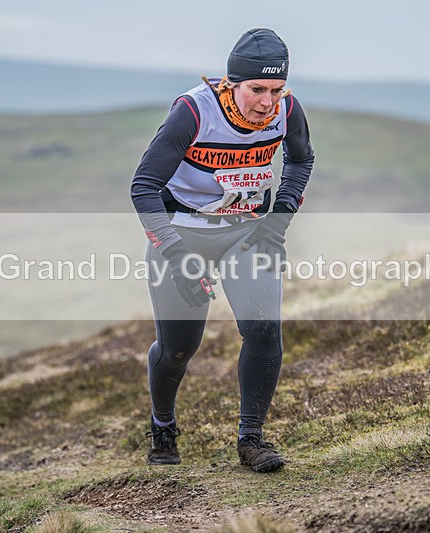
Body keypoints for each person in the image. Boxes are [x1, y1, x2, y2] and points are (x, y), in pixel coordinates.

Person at [130, 28, 314, 473]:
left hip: (246, 233)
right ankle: (162, 425)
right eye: (256, 89)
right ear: (231, 84)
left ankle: (251, 439)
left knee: (265, 330)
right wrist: (177, 256)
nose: (267, 102)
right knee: (178, 348)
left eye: (276, 89)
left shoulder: (286, 109)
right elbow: (143, 187)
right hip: (182, 233)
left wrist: (280, 216)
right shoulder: (193, 111)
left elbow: (301, 159)